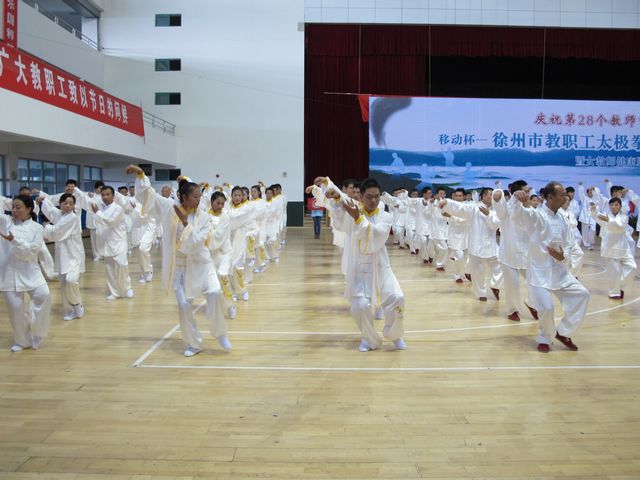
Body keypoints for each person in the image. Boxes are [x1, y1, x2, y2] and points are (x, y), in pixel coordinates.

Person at [127, 165, 230, 356]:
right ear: (184, 197)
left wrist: (185, 223)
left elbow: (197, 242)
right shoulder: (169, 208)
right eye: (195, 197)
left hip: (201, 264)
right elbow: (148, 196)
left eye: (200, 197)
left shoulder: (204, 217)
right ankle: (194, 343)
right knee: (184, 305)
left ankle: (219, 332)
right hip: (180, 268)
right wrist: (141, 175)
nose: (199, 200)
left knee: (215, 293)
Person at [321, 177, 406, 352]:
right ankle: (369, 339)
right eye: (369, 197)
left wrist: (358, 219)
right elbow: (341, 215)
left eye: (376, 197)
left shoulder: (385, 216)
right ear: (361, 196)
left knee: (397, 298)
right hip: (360, 268)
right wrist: (335, 195)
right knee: (359, 307)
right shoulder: (353, 211)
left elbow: (377, 236)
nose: (373, 200)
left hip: (381, 266)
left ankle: (395, 335)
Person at [512, 181, 590, 352]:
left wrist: (563, 256)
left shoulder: (562, 218)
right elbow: (521, 216)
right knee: (547, 308)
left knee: (582, 294)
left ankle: (563, 332)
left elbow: (569, 243)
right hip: (539, 272)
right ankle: (545, 338)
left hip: (559, 271)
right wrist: (517, 200)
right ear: (550, 197)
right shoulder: (538, 215)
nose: (566, 197)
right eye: (562, 195)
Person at [0, 195, 51, 352]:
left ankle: (37, 331)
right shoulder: (5, 221)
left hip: (31, 271)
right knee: (15, 310)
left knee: (44, 295)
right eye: (13, 207)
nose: (14, 210)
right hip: (8, 273)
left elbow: (29, 252)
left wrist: (13, 240)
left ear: (29, 209)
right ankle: (22, 341)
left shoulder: (37, 228)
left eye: (18, 207)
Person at [441, 187, 503, 301]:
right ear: (483, 196)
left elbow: (495, 225)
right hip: (476, 245)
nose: (492, 197)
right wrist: (447, 203)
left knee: (501, 264)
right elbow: (461, 208)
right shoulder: (474, 208)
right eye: (490, 195)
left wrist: (488, 214)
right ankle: (481, 294)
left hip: (491, 245)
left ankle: (495, 285)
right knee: (478, 271)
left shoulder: (496, 211)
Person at [492, 181, 538, 321]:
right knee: (512, 284)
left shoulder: (530, 209)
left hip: (527, 252)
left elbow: (534, 223)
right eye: (525, 191)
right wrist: (497, 195)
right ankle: (512, 310)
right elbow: (499, 204)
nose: (527, 194)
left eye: (528, 191)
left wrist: (526, 204)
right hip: (509, 252)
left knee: (535, 281)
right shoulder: (506, 208)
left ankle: (533, 304)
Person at [38, 193, 85, 321]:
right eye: (65, 203)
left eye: (71, 204)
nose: (68, 206)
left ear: (74, 205)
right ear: (60, 204)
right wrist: (44, 199)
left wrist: (46, 225)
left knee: (71, 280)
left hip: (74, 255)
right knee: (64, 284)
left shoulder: (72, 218)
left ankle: (77, 303)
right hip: (63, 255)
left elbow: (56, 231)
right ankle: (70, 309)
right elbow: (51, 211)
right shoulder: (60, 215)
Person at [90, 186, 133, 300]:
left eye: (108, 194)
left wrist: (98, 213)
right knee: (109, 268)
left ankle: (127, 287)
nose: (105, 197)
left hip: (119, 241)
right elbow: (98, 223)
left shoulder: (118, 208)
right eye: (103, 195)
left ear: (113, 196)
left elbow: (111, 222)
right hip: (106, 242)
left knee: (122, 264)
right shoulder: (100, 208)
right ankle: (115, 292)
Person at [591, 198, 637, 300]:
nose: (614, 207)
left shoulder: (624, 217)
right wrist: (593, 209)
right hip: (610, 248)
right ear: (609, 206)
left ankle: (620, 286)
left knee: (632, 267)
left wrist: (608, 220)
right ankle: (614, 293)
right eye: (611, 205)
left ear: (620, 206)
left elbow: (619, 228)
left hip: (623, 248)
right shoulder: (605, 216)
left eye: (616, 205)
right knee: (614, 272)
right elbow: (596, 216)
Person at [207, 191, 237, 320]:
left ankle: (230, 306)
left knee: (223, 275)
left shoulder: (225, 217)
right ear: (211, 202)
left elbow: (218, 236)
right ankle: (214, 306)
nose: (220, 206)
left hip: (224, 252)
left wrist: (207, 235)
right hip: (210, 254)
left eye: (222, 204)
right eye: (217, 203)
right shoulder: (204, 216)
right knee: (212, 282)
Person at [446, 188, 469, 284]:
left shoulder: (468, 207)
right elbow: (444, 217)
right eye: (456, 196)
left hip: (466, 236)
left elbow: (465, 221)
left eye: (460, 196)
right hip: (454, 236)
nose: (458, 198)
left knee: (466, 258)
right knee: (459, 256)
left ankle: (465, 274)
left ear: (464, 197)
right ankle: (457, 275)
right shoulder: (450, 207)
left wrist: (451, 216)